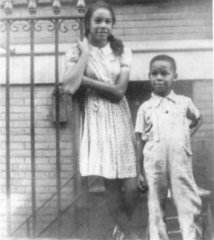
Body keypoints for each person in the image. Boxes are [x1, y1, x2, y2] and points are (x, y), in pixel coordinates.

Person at [62, 2, 140, 239]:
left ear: (112, 24)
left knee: (131, 185)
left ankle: (122, 229)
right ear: (87, 23)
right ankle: (130, 234)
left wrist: (85, 80)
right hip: (96, 118)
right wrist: (86, 54)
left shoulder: (122, 51)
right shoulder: (75, 52)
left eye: (108, 21)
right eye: (98, 21)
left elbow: (119, 93)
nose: (103, 26)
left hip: (119, 117)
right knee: (111, 185)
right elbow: (67, 85)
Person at [135, 54, 203, 240]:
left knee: (187, 205)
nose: (159, 78)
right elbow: (139, 140)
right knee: (156, 209)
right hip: (154, 164)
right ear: (149, 76)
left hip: (179, 163)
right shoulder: (146, 108)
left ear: (175, 76)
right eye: (154, 73)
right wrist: (139, 171)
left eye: (165, 73)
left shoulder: (184, 102)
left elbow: (198, 119)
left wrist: (185, 135)